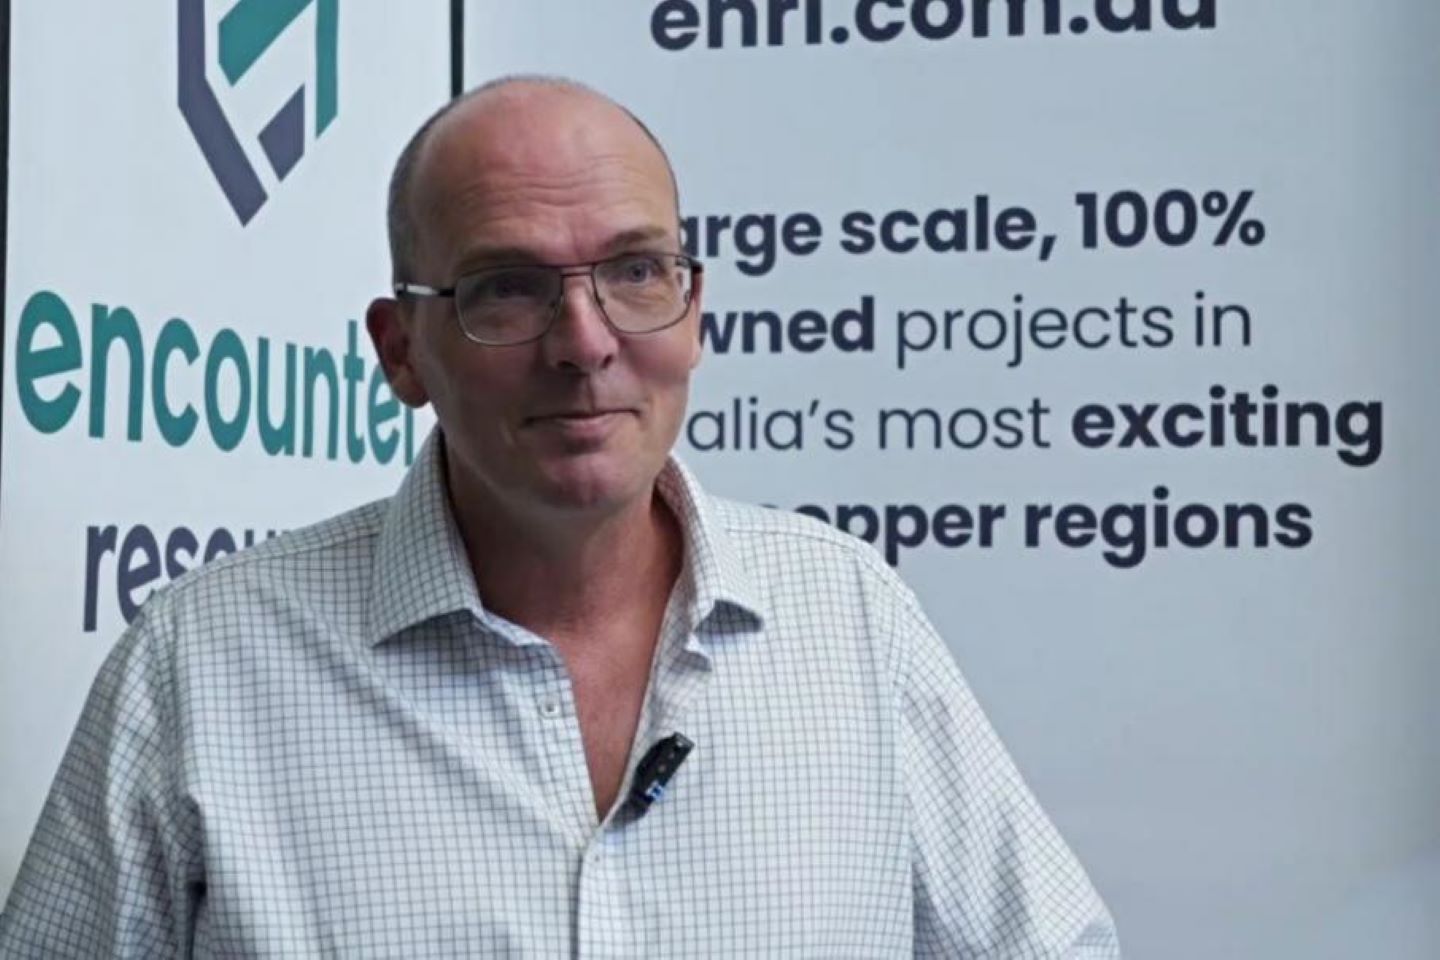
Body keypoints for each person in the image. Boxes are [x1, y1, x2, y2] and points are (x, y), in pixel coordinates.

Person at [0, 76, 1121, 957]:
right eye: (507, 288)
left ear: (694, 310)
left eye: (636, 272)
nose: (585, 343)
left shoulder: (849, 617)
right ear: (401, 351)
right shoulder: (199, 666)